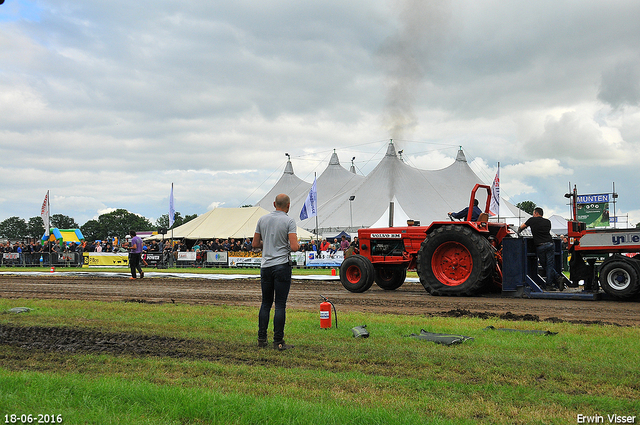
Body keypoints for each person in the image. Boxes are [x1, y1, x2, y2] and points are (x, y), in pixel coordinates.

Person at [252, 193, 300, 351]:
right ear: (288, 205)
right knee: (280, 305)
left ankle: (261, 339)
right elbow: (294, 247)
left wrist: (268, 244)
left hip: (266, 266)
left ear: (274, 204)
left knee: (265, 303)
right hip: (281, 266)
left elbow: (255, 243)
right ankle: (278, 341)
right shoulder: (289, 221)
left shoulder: (262, 220)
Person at [518, 207, 563, 290]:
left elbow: (522, 227)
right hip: (550, 244)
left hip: (540, 246)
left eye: (533, 213)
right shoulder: (548, 222)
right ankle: (556, 279)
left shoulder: (532, 220)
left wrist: (518, 232)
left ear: (536, 213)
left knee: (544, 265)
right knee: (549, 265)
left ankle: (552, 282)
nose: (533, 214)